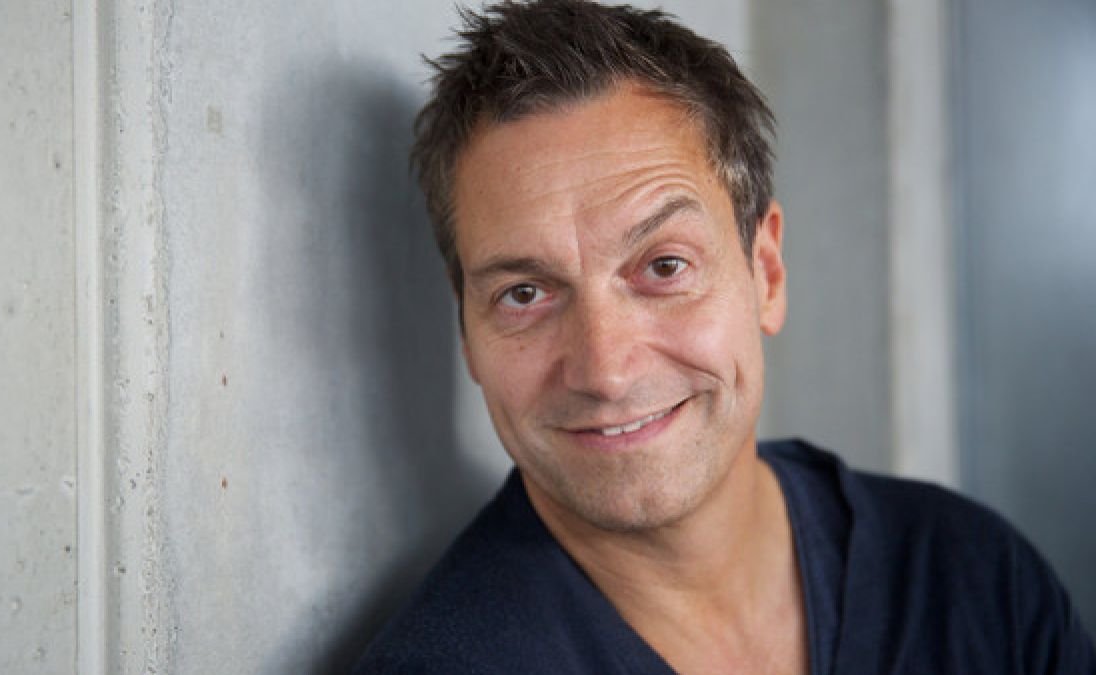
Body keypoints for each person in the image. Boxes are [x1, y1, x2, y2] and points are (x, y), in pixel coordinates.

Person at [355, 1, 1096, 672]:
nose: (606, 370)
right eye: (524, 293)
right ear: (466, 327)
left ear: (765, 272)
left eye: (664, 266)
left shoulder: (973, 580)